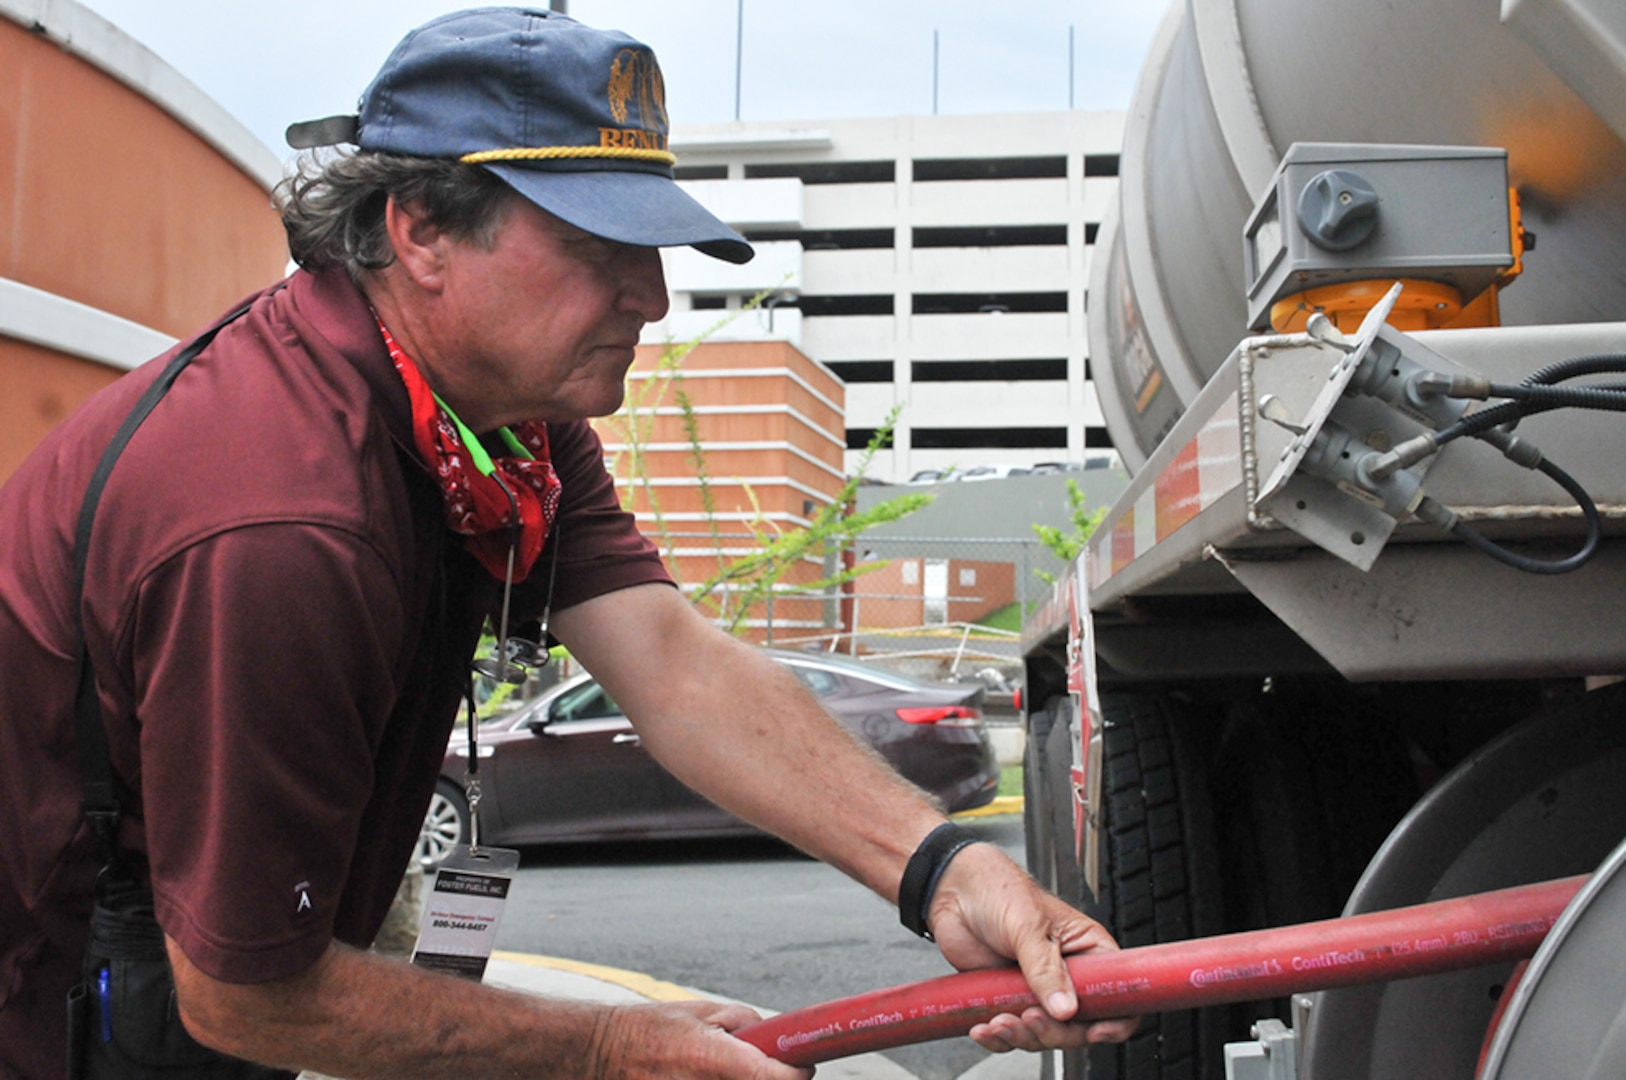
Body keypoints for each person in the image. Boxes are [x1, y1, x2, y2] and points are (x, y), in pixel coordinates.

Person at [0, 9, 1133, 1078]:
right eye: (601, 243)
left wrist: (948, 870)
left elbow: (675, 665)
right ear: (423, 228)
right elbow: (244, 992)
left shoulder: (504, 429)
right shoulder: (281, 523)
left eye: (655, 245)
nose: (651, 293)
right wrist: (605, 1049)